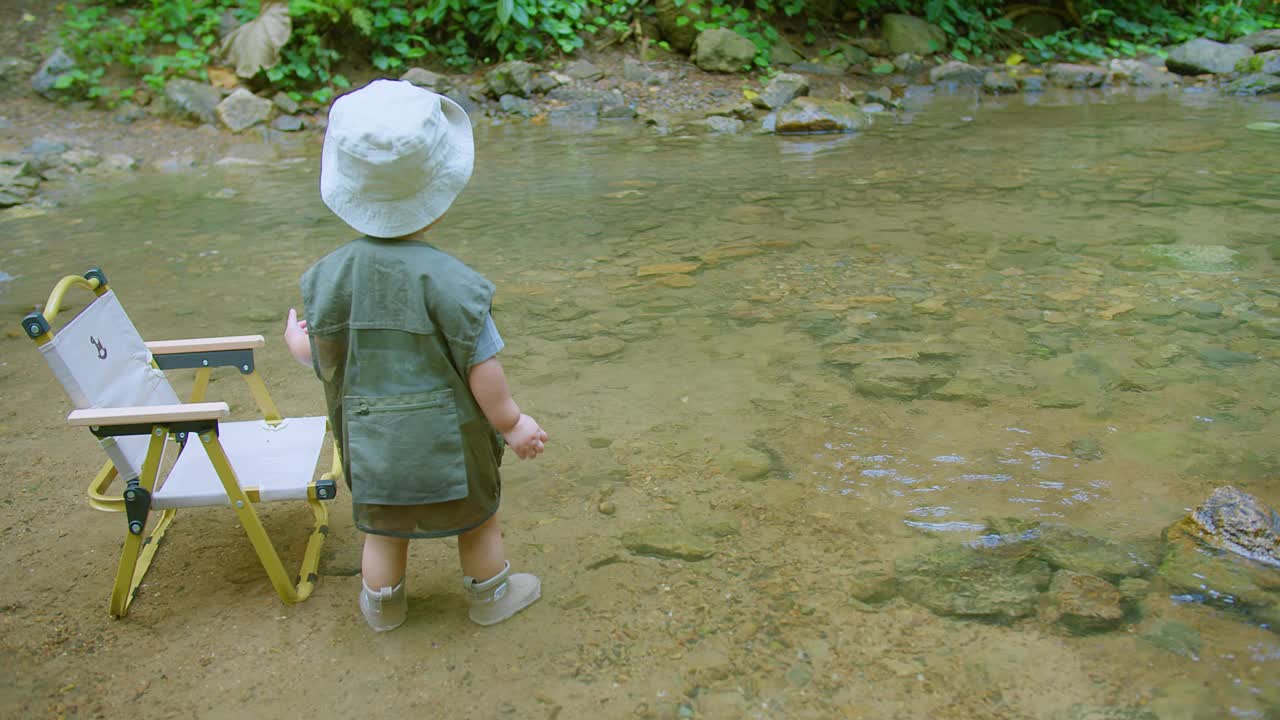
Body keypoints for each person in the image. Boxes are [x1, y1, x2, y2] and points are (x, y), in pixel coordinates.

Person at [282, 79, 548, 632]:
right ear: (439, 196)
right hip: (452, 443)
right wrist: (513, 423)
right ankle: (489, 598)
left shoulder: (328, 278)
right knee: (478, 524)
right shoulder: (454, 282)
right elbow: (483, 369)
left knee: (383, 531)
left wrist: (296, 346)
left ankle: (383, 608)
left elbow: (324, 354)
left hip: (373, 440)